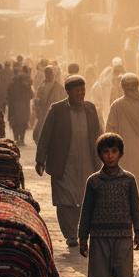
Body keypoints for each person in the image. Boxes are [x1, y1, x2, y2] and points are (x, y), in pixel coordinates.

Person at [78, 132, 139, 277]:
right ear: (100, 155)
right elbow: (86, 210)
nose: (110, 156)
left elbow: (135, 207)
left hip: (123, 236)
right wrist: (82, 237)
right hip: (99, 237)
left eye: (114, 151)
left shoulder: (128, 180)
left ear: (121, 153)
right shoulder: (93, 182)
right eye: (106, 151)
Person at [36, 75, 103, 248]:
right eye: (77, 90)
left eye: (83, 89)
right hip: (64, 162)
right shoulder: (57, 109)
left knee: (85, 196)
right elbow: (45, 135)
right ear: (68, 91)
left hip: (88, 160)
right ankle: (70, 234)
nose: (81, 93)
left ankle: (83, 230)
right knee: (65, 198)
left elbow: (98, 133)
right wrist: (40, 159)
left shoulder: (90, 108)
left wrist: (104, 155)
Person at [105, 73, 139, 197]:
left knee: (122, 187)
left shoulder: (117, 105)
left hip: (122, 155)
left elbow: (110, 132)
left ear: (122, 87)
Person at [33, 65, 65, 144]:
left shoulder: (42, 86)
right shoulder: (57, 86)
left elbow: (37, 101)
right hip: (50, 112)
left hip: (48, 112)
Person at [6, 68, 34, 145]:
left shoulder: (11, 85)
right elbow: (32, 95)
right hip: (24, 107)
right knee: (23, 123)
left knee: (14, 123)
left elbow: (7, 96)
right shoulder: (25, 86)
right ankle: (21, 139)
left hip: (13, 107)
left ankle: (16, 138)